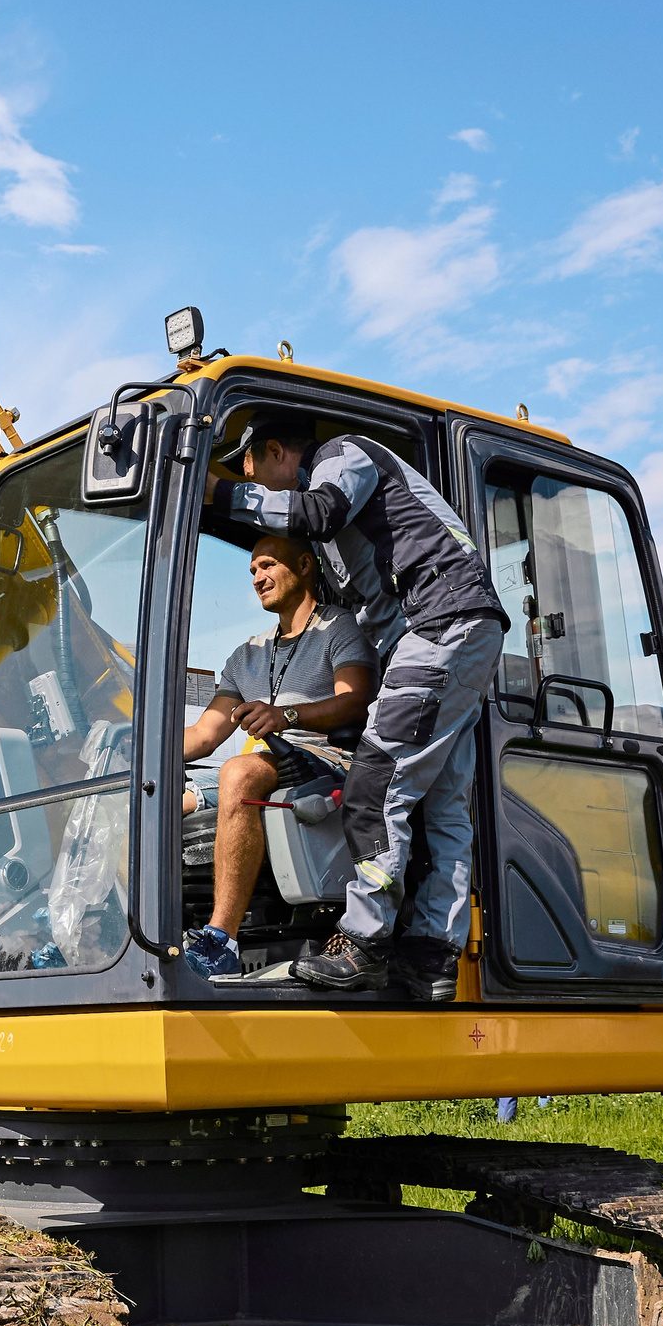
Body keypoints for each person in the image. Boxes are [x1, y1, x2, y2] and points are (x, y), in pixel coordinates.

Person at [222, 416, 510, 998]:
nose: (265, 497)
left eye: (256, 477)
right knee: (444, 805)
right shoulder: (347, 542)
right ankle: (431, 956)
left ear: (278, 450)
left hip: (440, 624)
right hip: (459, 631)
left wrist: (221, 494)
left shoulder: (341, 455)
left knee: (374, 784)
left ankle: (363, 941)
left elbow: (317, 510)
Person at [179, 533, 379, 977]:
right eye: (252, 571)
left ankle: (220, 941)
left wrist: (287, 715)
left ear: (305, 565)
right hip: (262, 767)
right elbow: (205, 734)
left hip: (324, 762)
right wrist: (140, 749)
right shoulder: (246, 654)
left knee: (240, 772)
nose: (258, 577)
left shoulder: (337, 628)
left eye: (267, 565)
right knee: (159, 801)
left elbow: (355, 700)